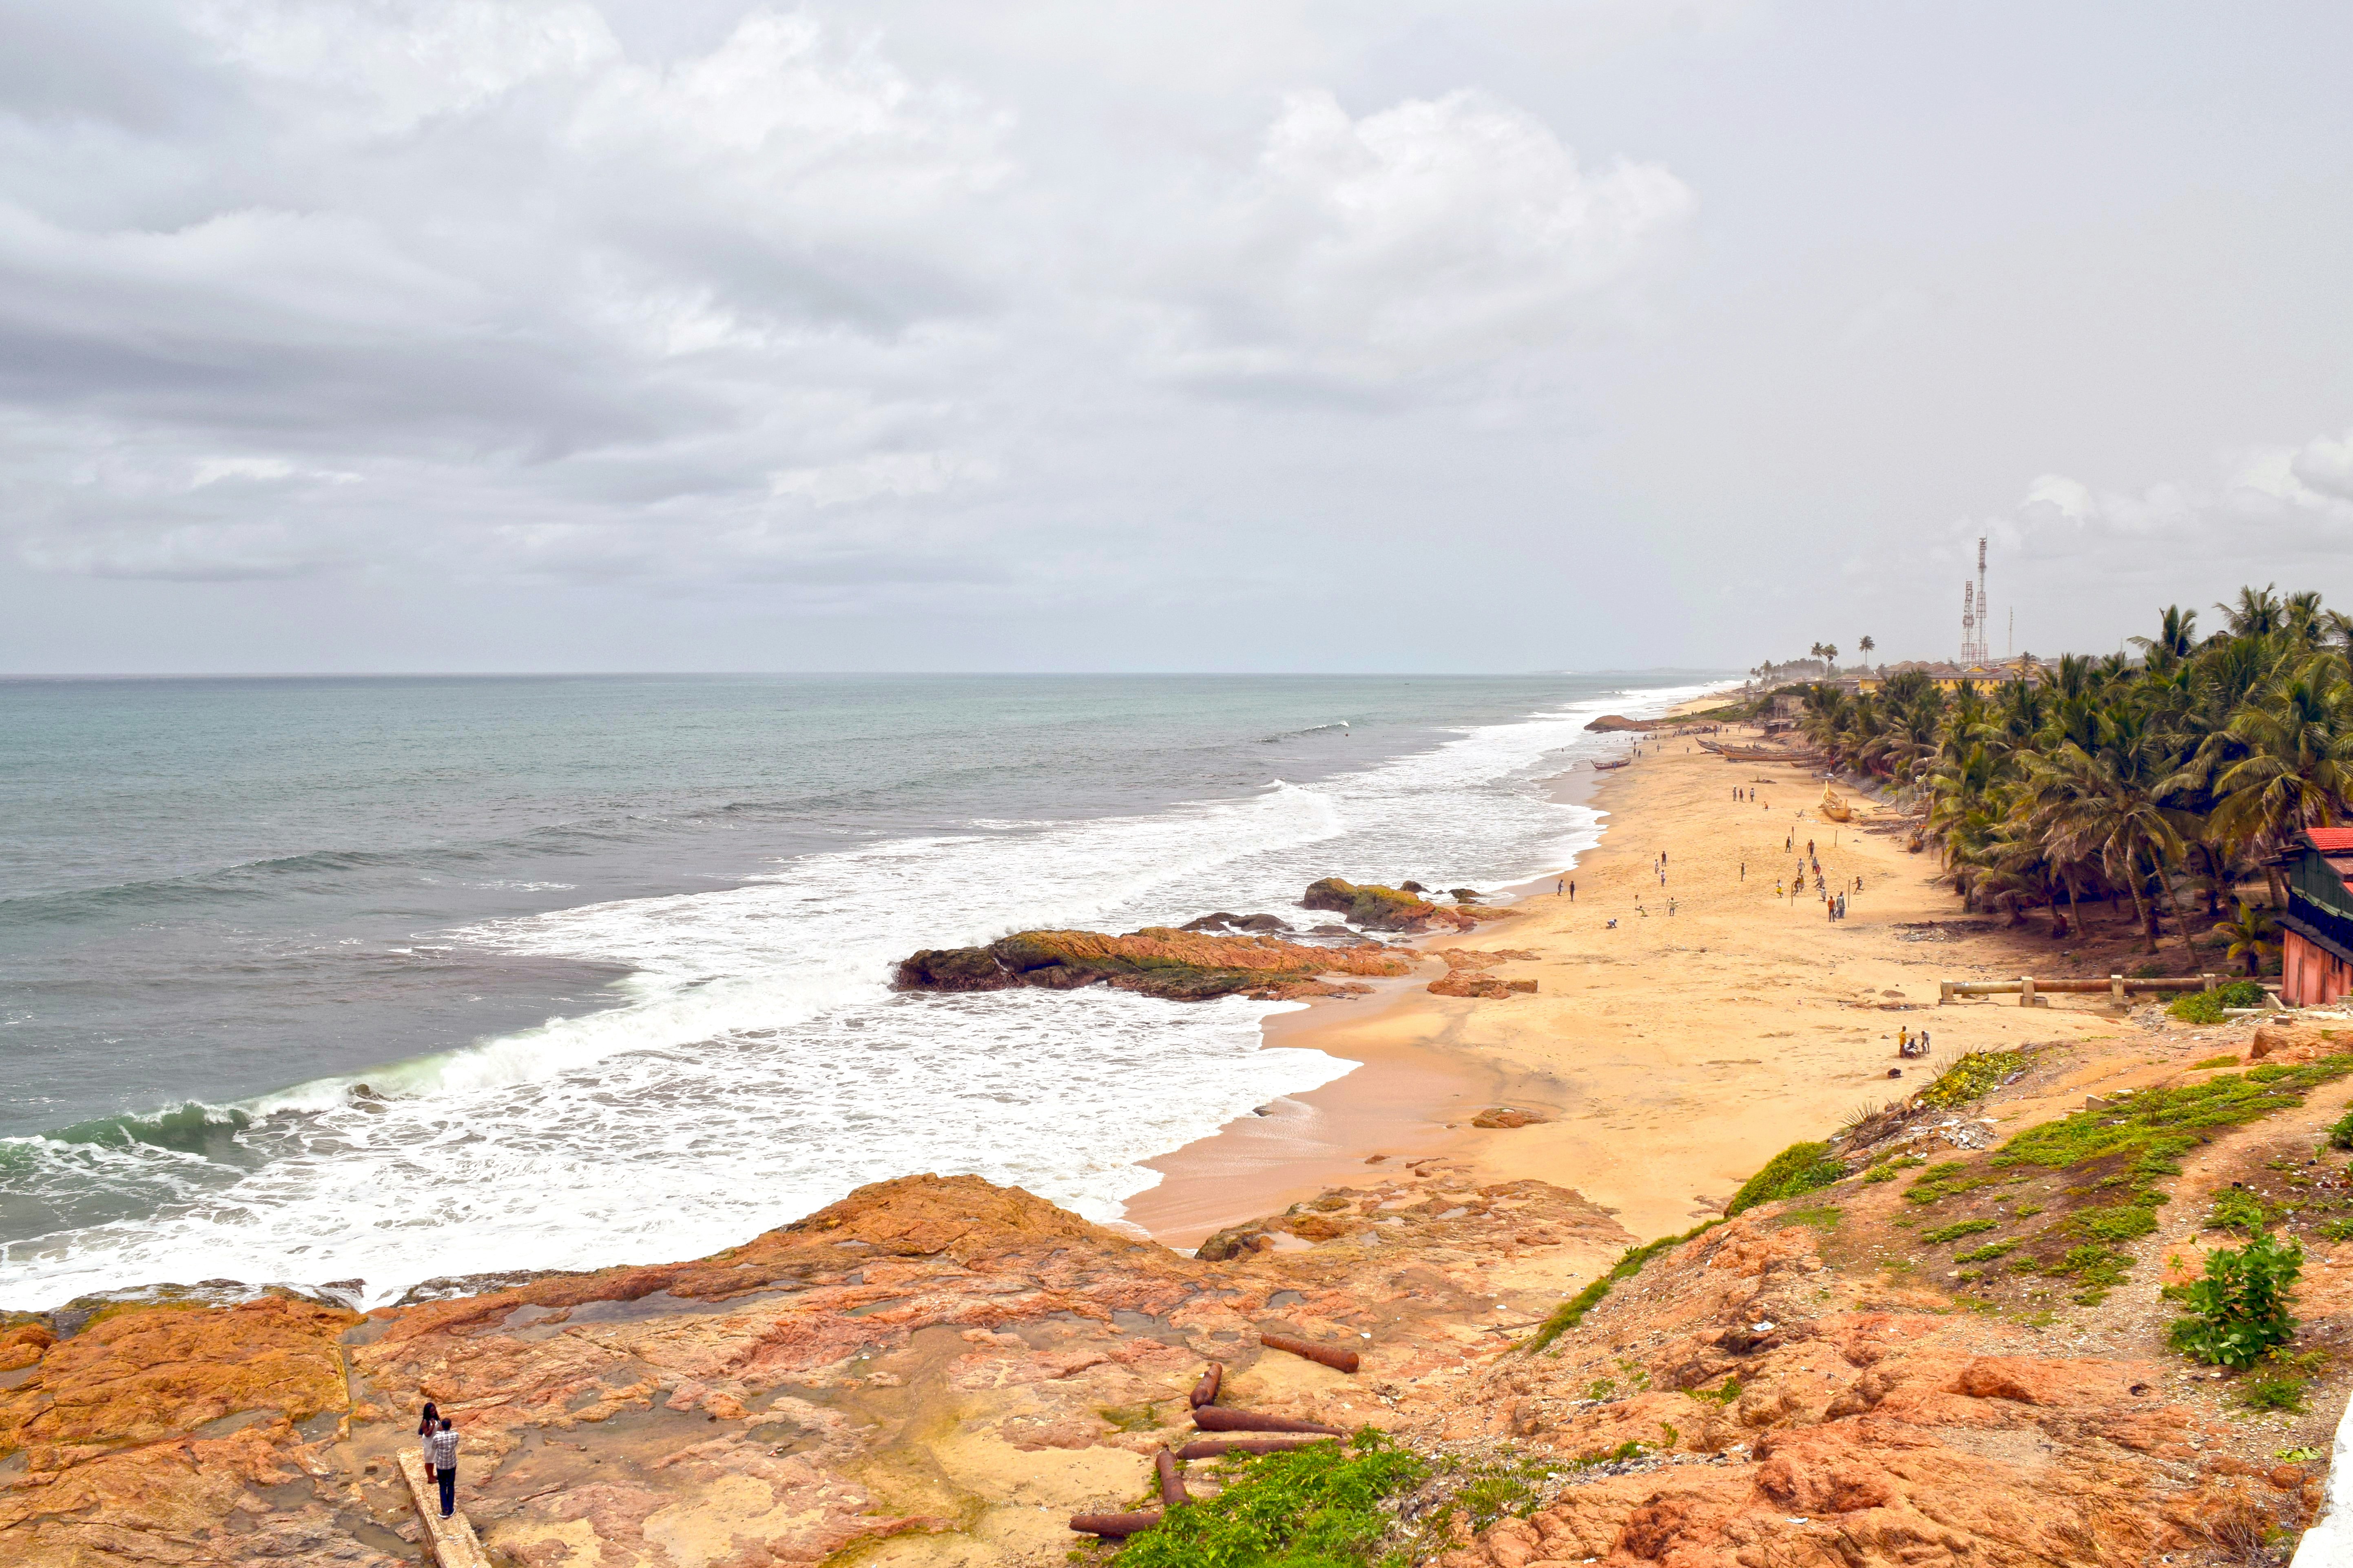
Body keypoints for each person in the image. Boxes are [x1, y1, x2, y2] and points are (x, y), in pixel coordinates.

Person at [429, 1418, 459, 1518]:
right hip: (452, 1464)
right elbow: (455, 1444)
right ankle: (451, 1508)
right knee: (451, 1485)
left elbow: (434, 1447)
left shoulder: (437, 1437)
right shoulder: (456, 1435)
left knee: (442, 1486)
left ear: (442, 1426)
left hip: (441, 1465)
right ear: (451, 1425)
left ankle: (445, 1510)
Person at [417, 1401, 440, 1482]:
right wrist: (433, 1426)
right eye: (431, 1411)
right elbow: (427, 1434)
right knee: (429, 1460)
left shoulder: (435, 1418)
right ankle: (430, 1477)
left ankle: (433, 1475)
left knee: (434, 1459)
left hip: (435, 1440)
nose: (433, 1412)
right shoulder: (425, 1422)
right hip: (429, 1442)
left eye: (434, 1411)